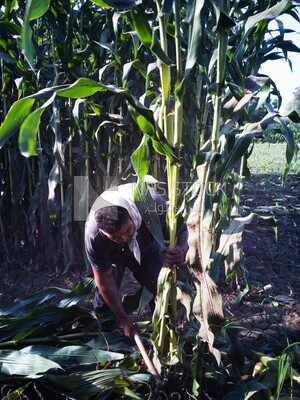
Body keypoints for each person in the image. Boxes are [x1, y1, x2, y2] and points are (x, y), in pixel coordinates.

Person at [84, 182, 188, 339]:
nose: (124, 239)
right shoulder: (94, 236)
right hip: (113, 256)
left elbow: (183, 231)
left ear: (131, 215)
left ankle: (163, 334)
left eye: (126, 231)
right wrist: (125, 321)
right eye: (116, 237)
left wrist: (181, 249)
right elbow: (104, 280)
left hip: (146, 248)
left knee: (160, 288)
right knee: (105, 307)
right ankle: (106, 340)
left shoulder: (153, 205)